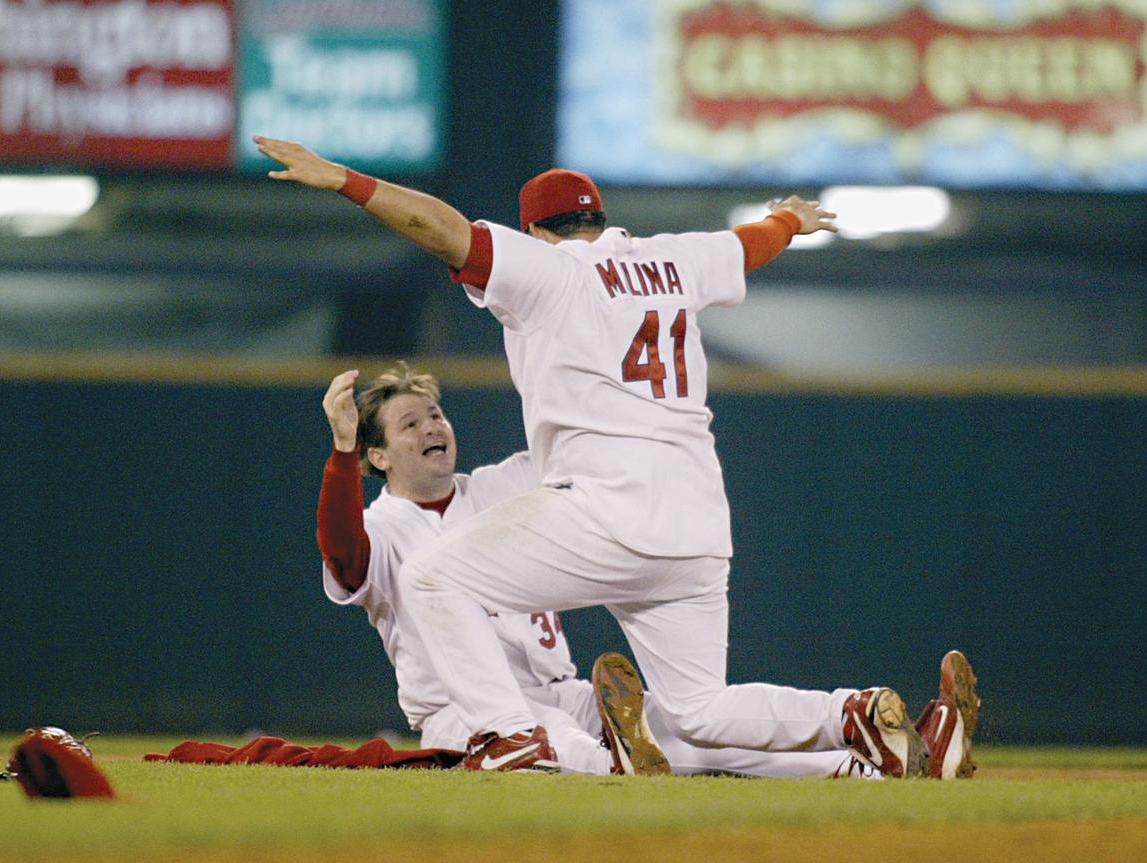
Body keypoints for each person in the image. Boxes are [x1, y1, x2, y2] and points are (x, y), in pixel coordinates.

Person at [258, 134, 979, 779]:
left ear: (536, 231)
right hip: (697, 521)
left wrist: (347, 181)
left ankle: (511, 737)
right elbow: (748, 246)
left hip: (606, 506)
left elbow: (441, 229)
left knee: (433, 577)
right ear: (599, 218)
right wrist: (789, 220)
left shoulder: (549, 272)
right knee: (695, 709)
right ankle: (856, 718)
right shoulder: (676, 257)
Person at [316, 362, 874, 777]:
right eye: (409, 424)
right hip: (463, 714)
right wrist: (343, 450)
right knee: (555, 743)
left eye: (435, 414)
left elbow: (587, 456)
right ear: (379, 457)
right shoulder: (382, 526)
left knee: (684, 730)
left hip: (565, 689)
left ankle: (859, 768)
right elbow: (342, 553)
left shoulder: (501, 483)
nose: (432, 427)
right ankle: (616, 766)